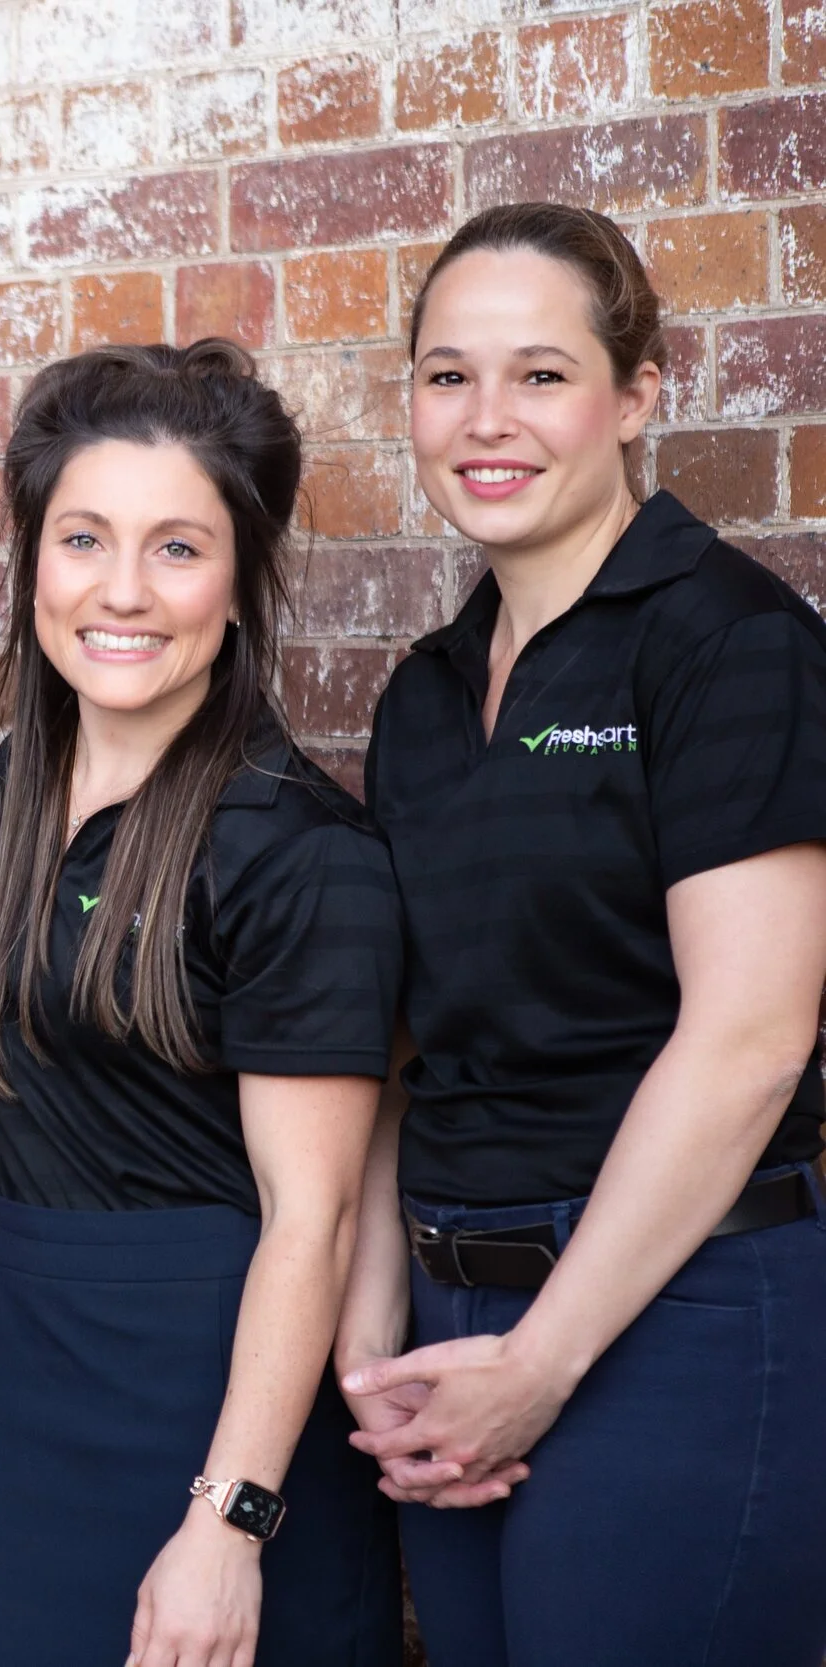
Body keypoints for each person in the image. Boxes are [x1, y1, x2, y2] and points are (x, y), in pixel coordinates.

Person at [337, 201, 826, 1667]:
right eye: (447, 375)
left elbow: (748, 1037)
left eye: (542, 374)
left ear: (638, 395)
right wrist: (370, 1348)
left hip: (671, 1313)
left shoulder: (727, 641)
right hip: (449, 1313)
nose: (488, 419)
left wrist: (541, 1362)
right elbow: (398, 1053)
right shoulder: (422, 695)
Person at [0, 341, 404, 1667]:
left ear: (243, 580)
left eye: (177, 548)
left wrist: (231, 1518)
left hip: (219, 1392)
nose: (123, 592)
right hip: (38, 1384)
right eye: (84, 537)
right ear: (33, 554)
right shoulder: (7, 797)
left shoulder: (296, 848)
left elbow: (310, 1217)